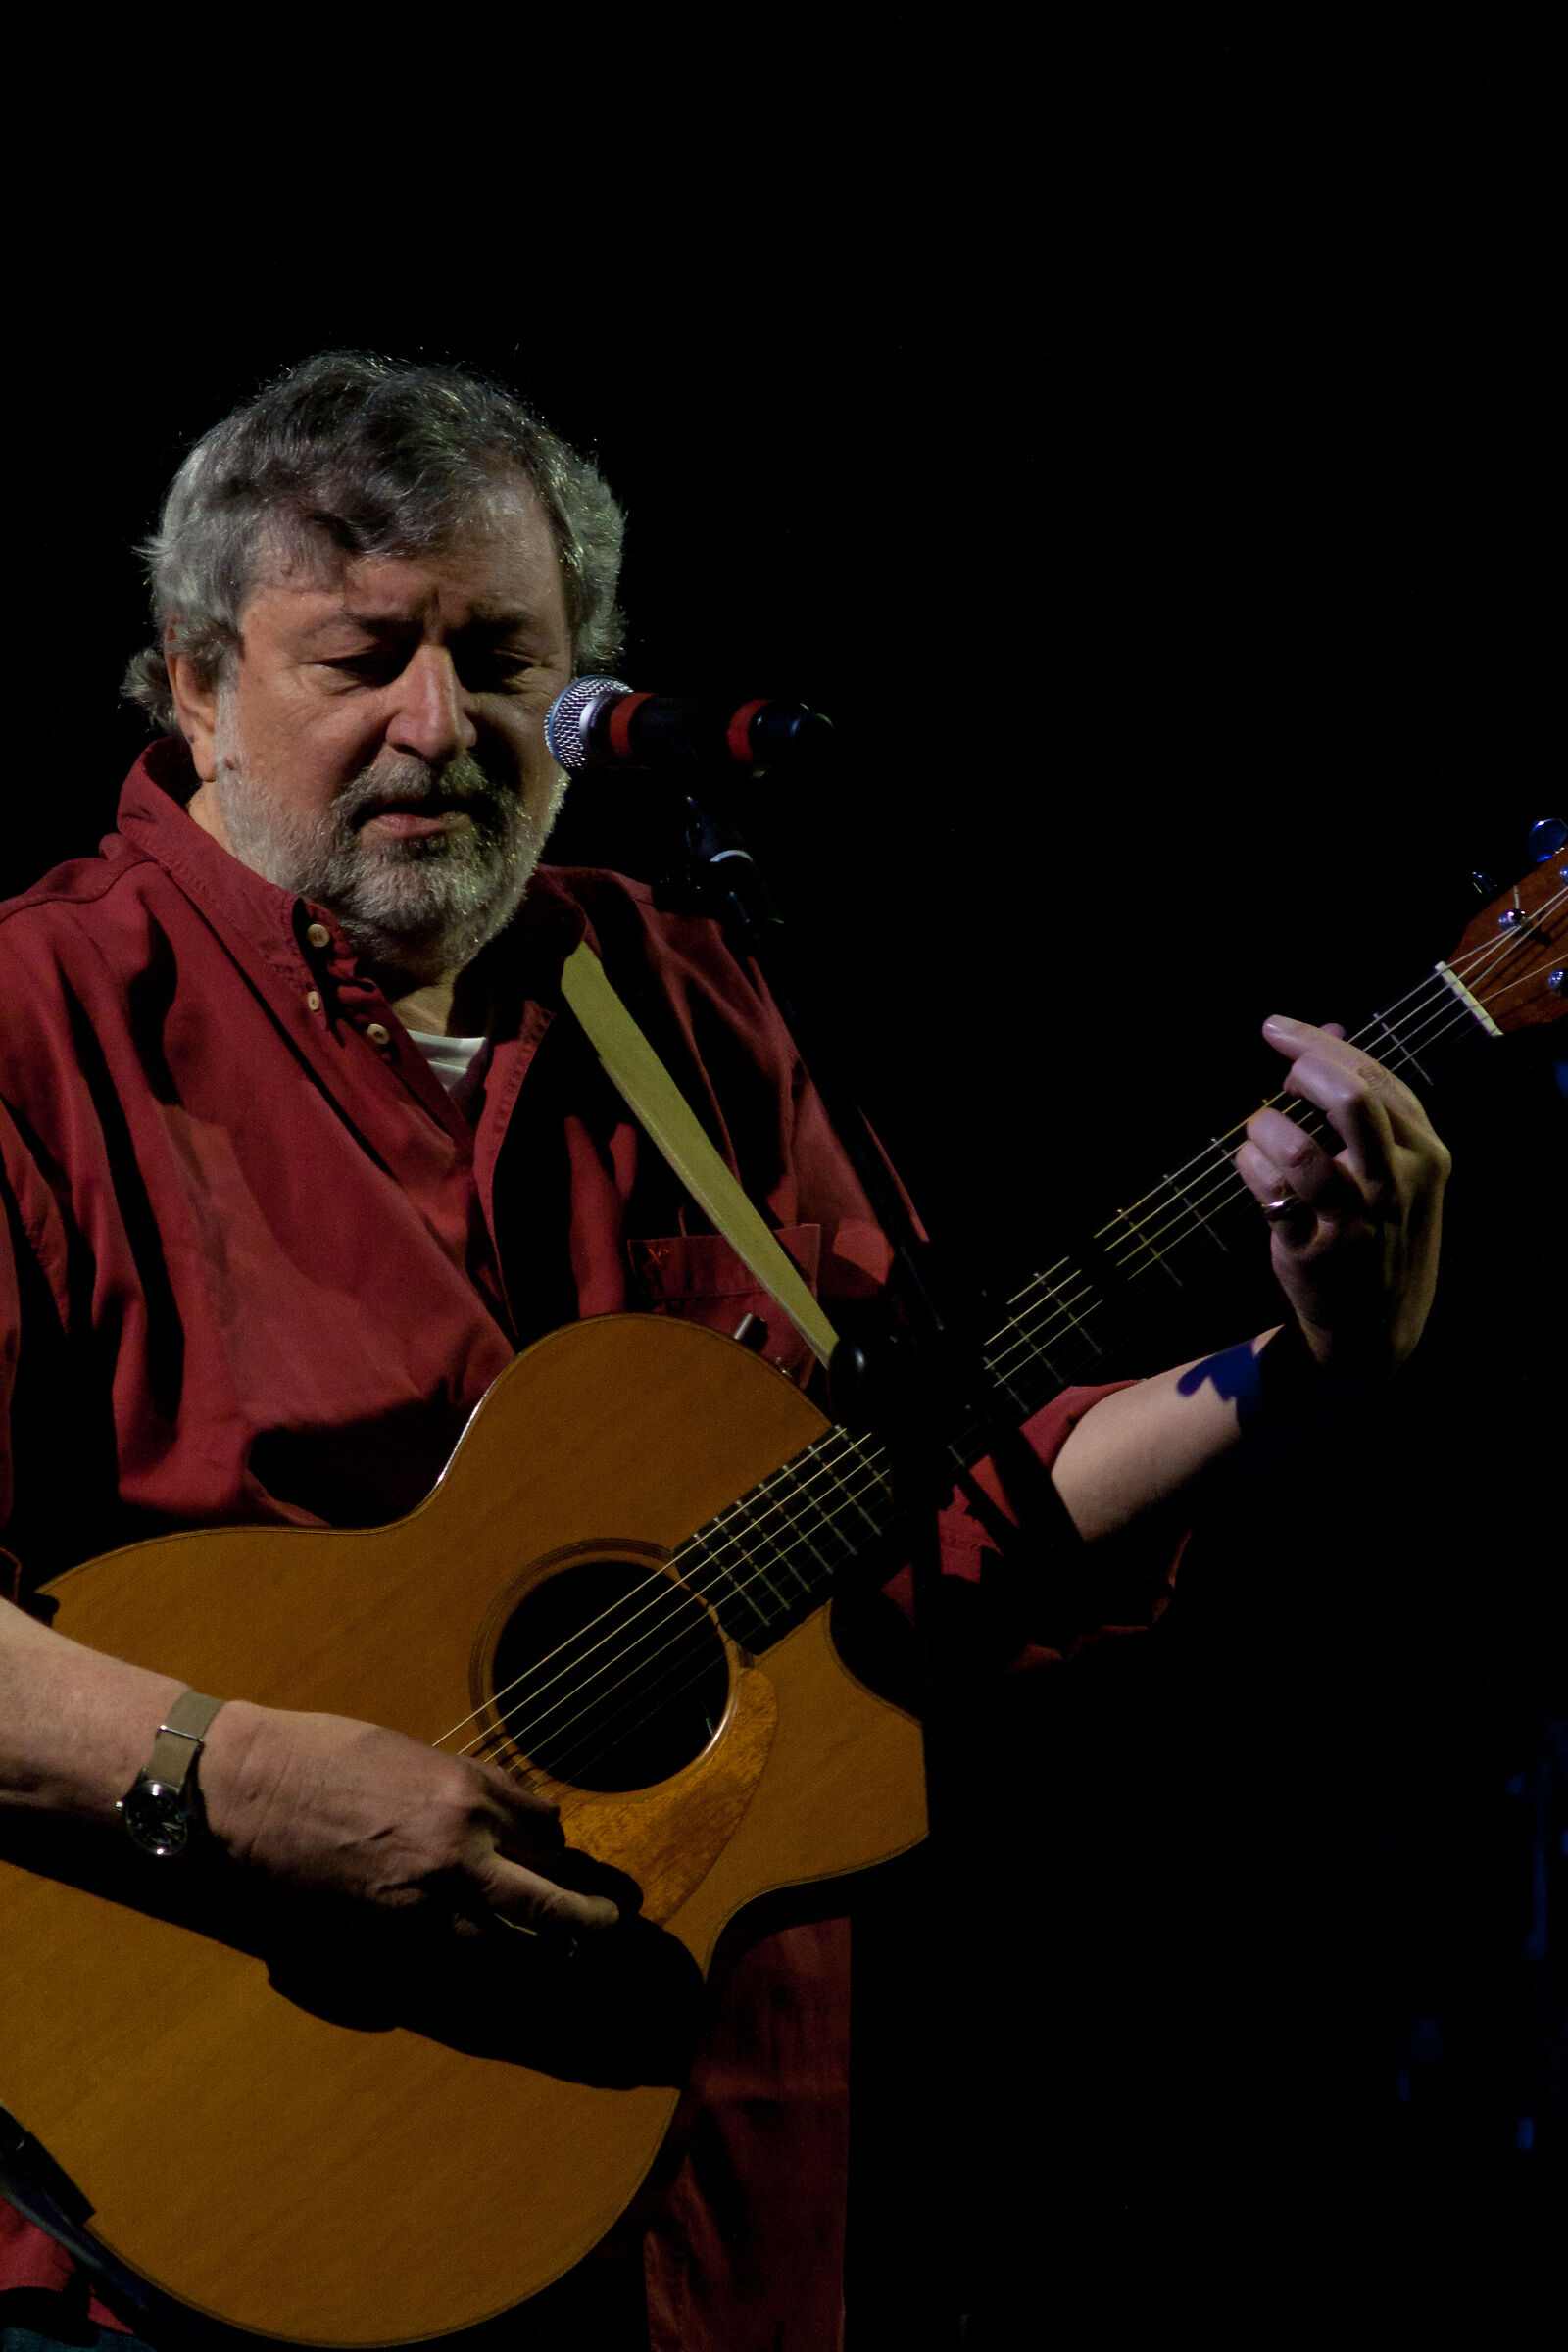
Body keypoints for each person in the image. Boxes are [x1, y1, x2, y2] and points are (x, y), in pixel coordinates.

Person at [0, 354, 1451, 2352]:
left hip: (703, 2205)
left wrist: (1305, 1373)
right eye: (361, 659)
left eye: (500, 659)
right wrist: (235, 1773)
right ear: (190, 680)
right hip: (206, 2217)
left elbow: (932, 1506)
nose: (437, 729)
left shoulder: (671, 1000)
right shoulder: (38, 1024)